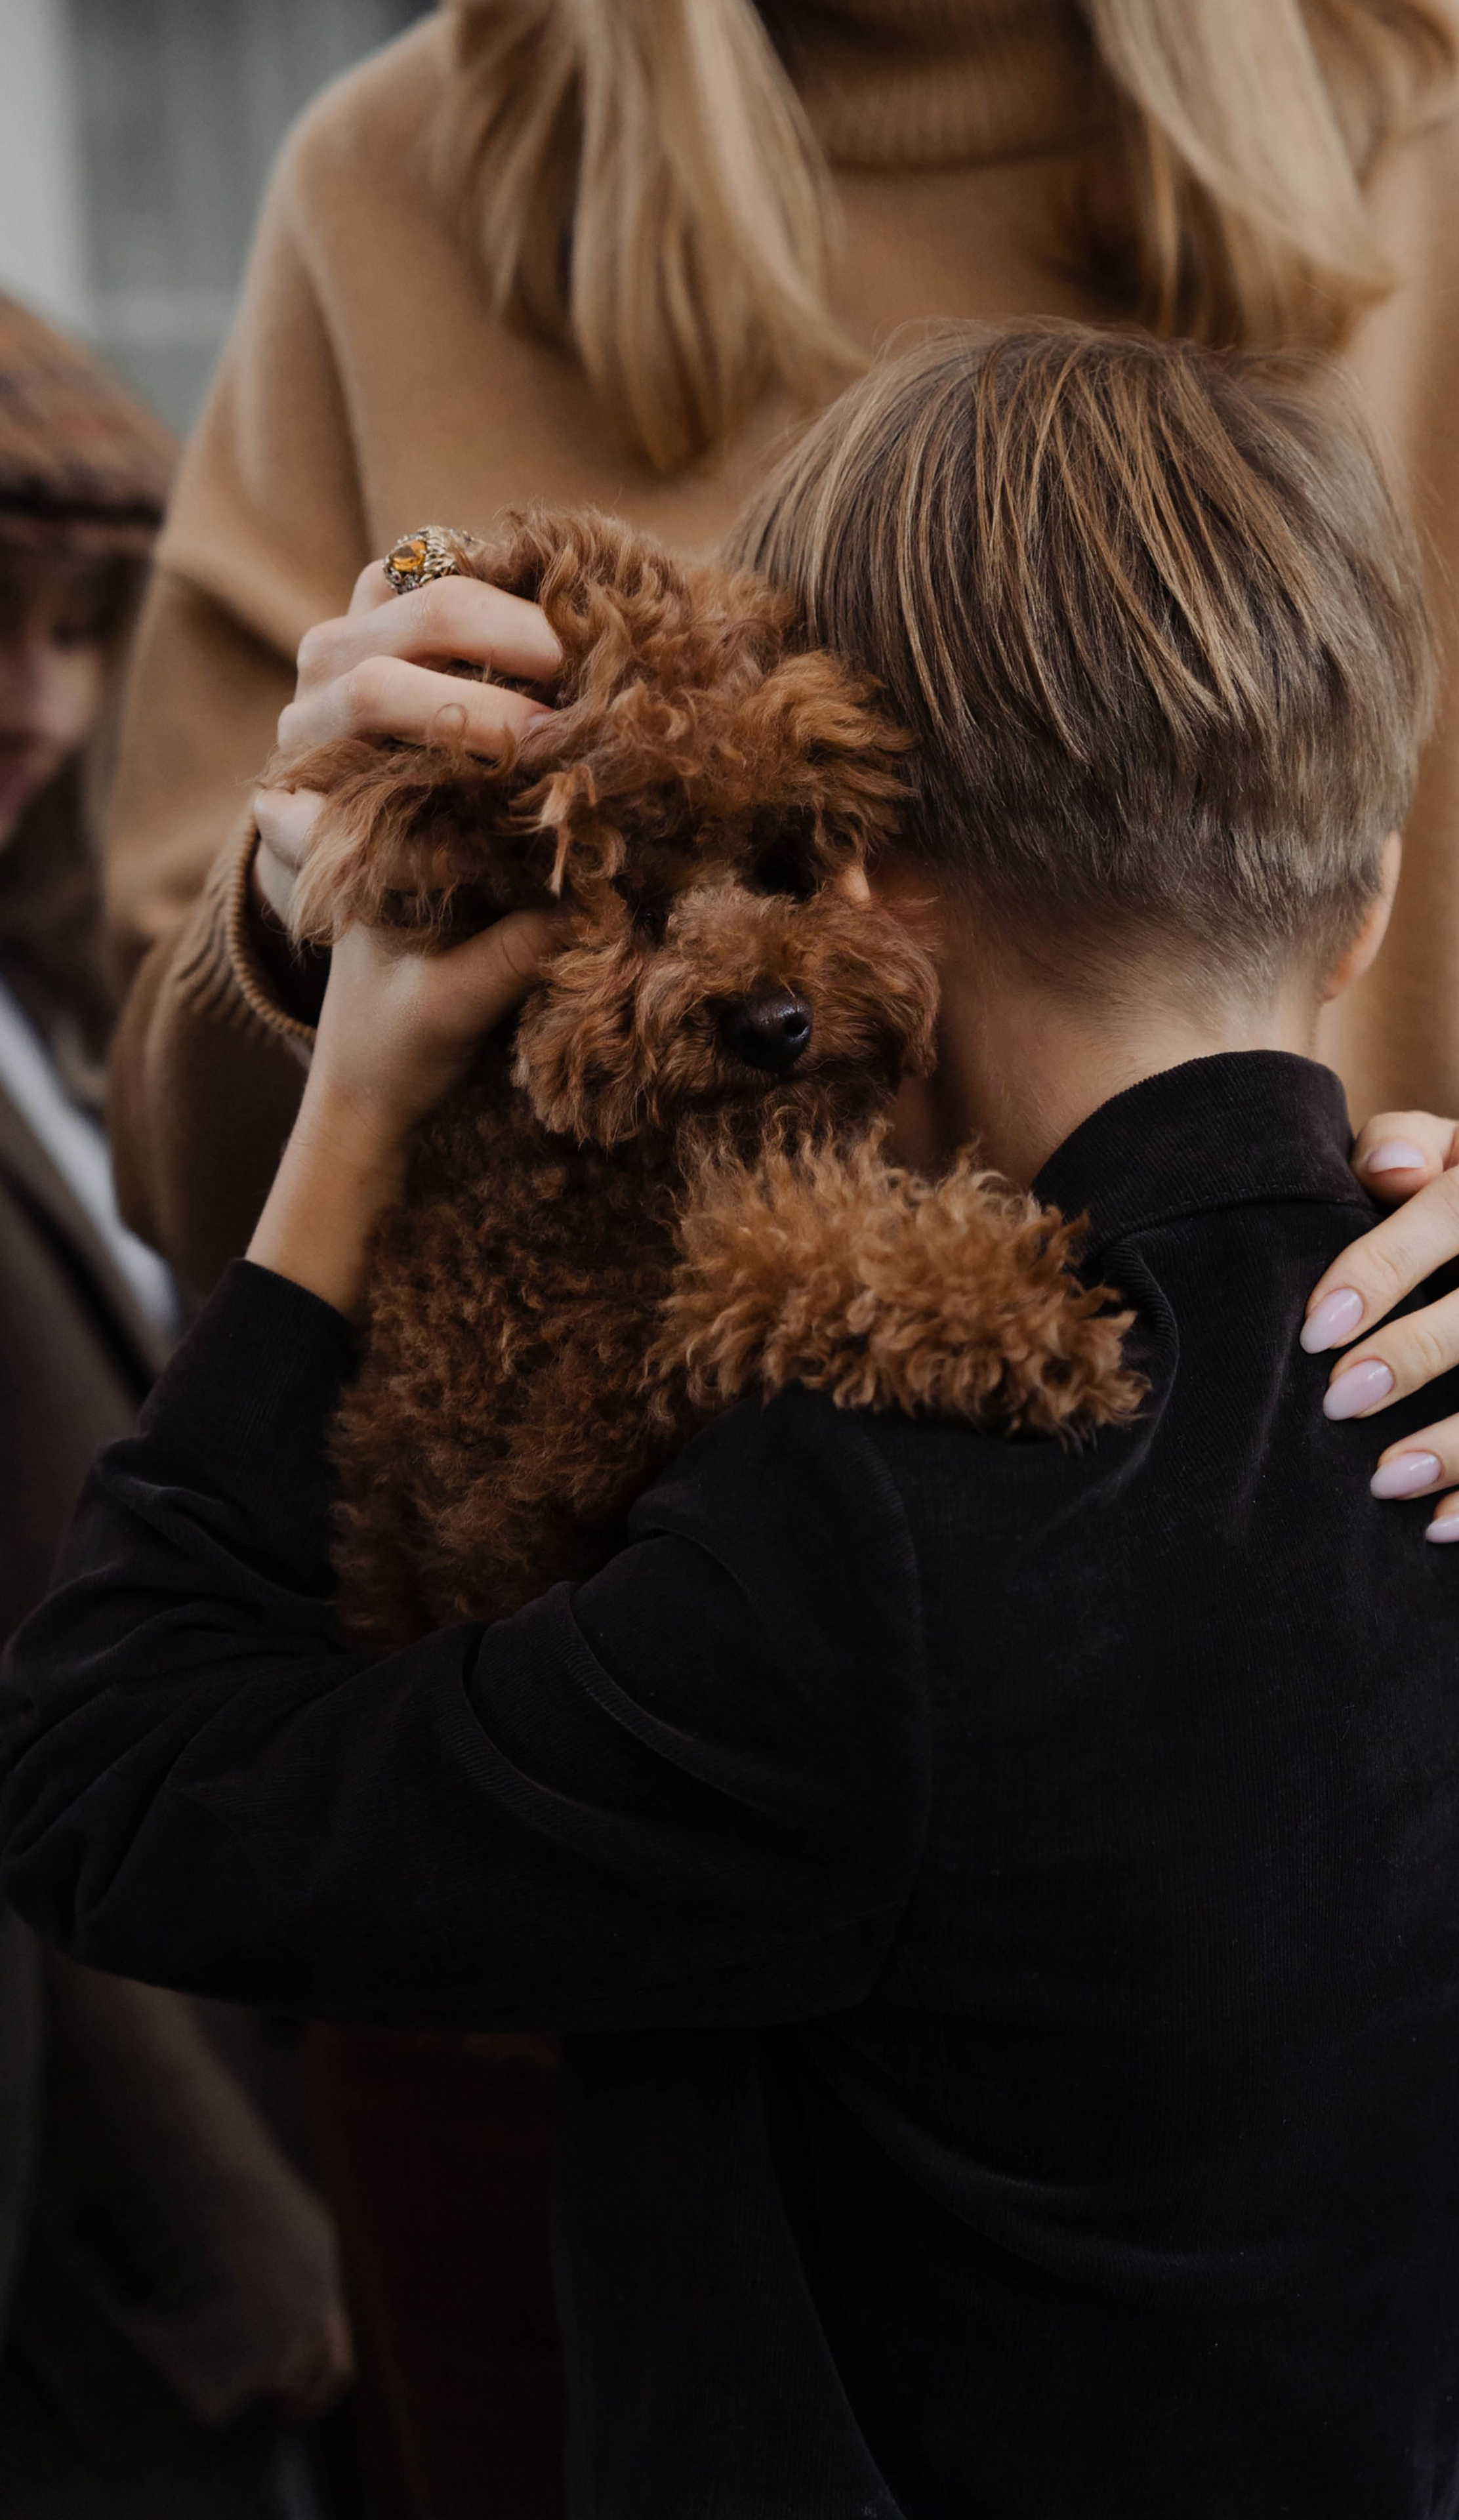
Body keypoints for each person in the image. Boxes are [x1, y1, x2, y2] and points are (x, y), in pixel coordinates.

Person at [100, 0, 1459, 2497]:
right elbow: (165, 1114)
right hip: (565, 1761)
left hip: (1302, 1788)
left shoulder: (1457, 128)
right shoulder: (396, 175)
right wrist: (318, 937)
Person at [0, 291, 352, 2515]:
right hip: (101, 2228)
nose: (37, 701)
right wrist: (228, 2231)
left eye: (69, 627)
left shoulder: (67, 1009)